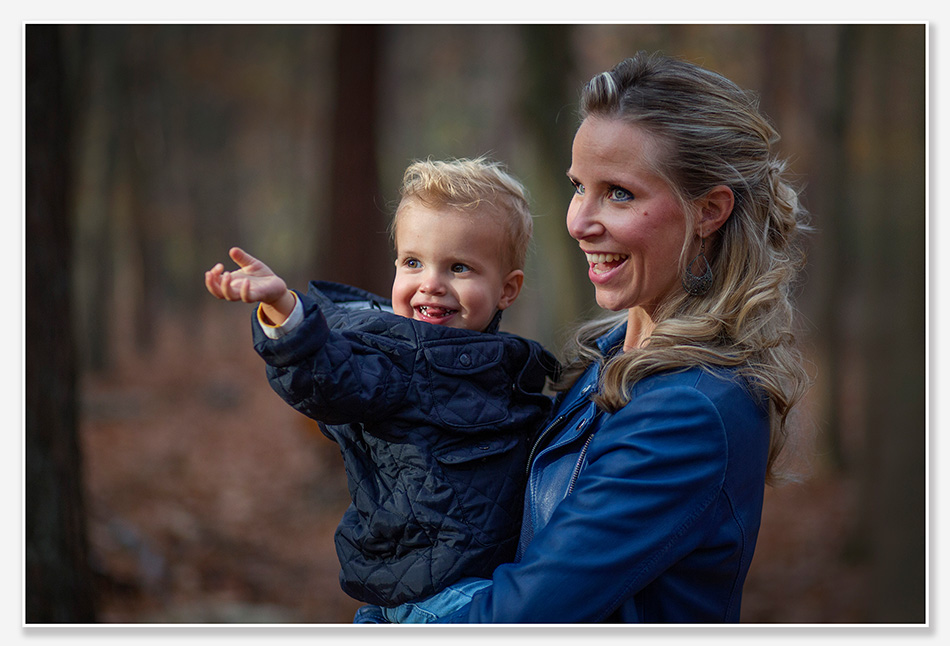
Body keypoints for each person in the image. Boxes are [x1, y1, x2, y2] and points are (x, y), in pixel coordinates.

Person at [361, 51, 812, 624]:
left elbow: (519, 621)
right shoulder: (612, 357)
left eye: (619, 193)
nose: (578, 221)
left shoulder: (691, 409)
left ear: (709, 211)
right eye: (579, 187)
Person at [204, 158, 559, 621]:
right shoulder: (390, 357)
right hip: (433, 599)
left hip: (488, 582)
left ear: (507, 290)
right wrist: (284, 311)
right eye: (413, 262)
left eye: (458, 267)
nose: (431, 284)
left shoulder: (507, 362)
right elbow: (328, 377)